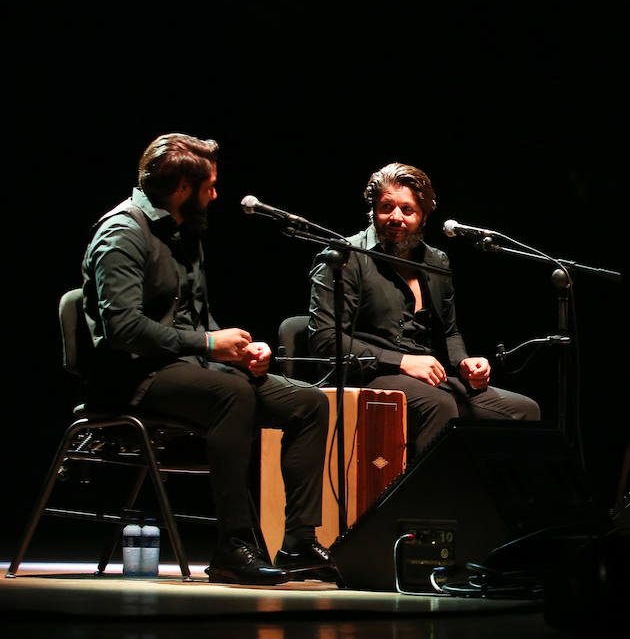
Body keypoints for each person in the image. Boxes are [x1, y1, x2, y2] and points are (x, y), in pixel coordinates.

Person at [82, 134, 331, 585]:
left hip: (187, 369)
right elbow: (125, 331)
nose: (216, 193)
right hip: (133, 377)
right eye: (210, 185)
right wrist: (211, 345)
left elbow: (192, 318)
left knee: (309, 403)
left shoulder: (184, 227)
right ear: (182, 186)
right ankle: (233, 547)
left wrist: (236, 352)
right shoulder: (122, 234)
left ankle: (297, 542)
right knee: (231, 395)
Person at [306, 162, 539, 459]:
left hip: (423, 379)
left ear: (424, 215)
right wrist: (402, 361)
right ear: (373, 210)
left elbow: (450, 331)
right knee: (438, 405)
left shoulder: (436, 262)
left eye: (407, 210)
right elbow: (325, 341)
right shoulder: (344, 257)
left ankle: (489, 501)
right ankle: (427, 502)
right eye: (386, 207)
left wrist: (466, 363)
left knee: (524, 411)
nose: (396, 217)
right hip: (366, 373)